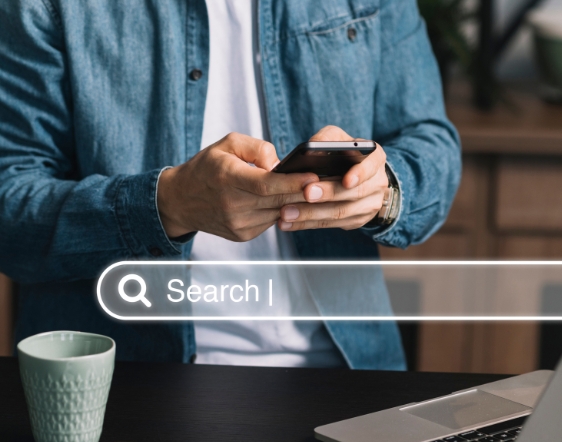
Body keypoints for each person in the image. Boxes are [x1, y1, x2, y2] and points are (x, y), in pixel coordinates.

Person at [0, 0, 461, 369]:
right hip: (126, 390)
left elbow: (432, 143)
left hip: (346, 373)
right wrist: (166, 205)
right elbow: (10, 205)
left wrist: (380, 191)